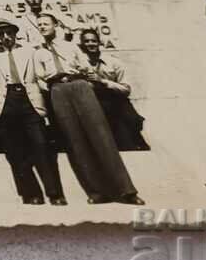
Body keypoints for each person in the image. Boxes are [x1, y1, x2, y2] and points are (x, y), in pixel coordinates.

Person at [36, 22, 143, 205]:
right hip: (58, 91)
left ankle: (126, 191)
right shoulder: (38, 53)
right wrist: (53, 86)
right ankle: (96, 192)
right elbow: (39, 78)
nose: (42, 26)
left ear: (55, 26)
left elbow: (86, 67)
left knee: (102, 137)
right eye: (39, 24)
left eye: (46, 23)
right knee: (74, 142)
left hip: (80, 86)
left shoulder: (70, 46)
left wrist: (80, 74)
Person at [0, 18, 66, 205]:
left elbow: (43, 72)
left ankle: (55, 194)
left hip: (29, 100)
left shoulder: (29, 50)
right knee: (15, 151)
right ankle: (31, 194)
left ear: (15, 33)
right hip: (6, 103)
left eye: (9, 32)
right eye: (1, 34)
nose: (6, 37)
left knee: (41, 146)